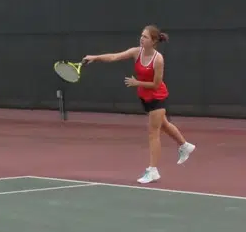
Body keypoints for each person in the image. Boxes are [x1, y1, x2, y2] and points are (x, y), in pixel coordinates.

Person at [83, 25, 196, 184]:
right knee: (163, 125)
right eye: (141, 36)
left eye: (145, 37)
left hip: (158, 97)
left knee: (153, 132)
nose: (141, 39)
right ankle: (185, 145)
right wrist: (95, 57)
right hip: (145, 98)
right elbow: (115, 57)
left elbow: (156, 84)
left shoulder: (158, 59)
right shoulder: (136, 52)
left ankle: (153, 171)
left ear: (154, 41)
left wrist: (137, 83)